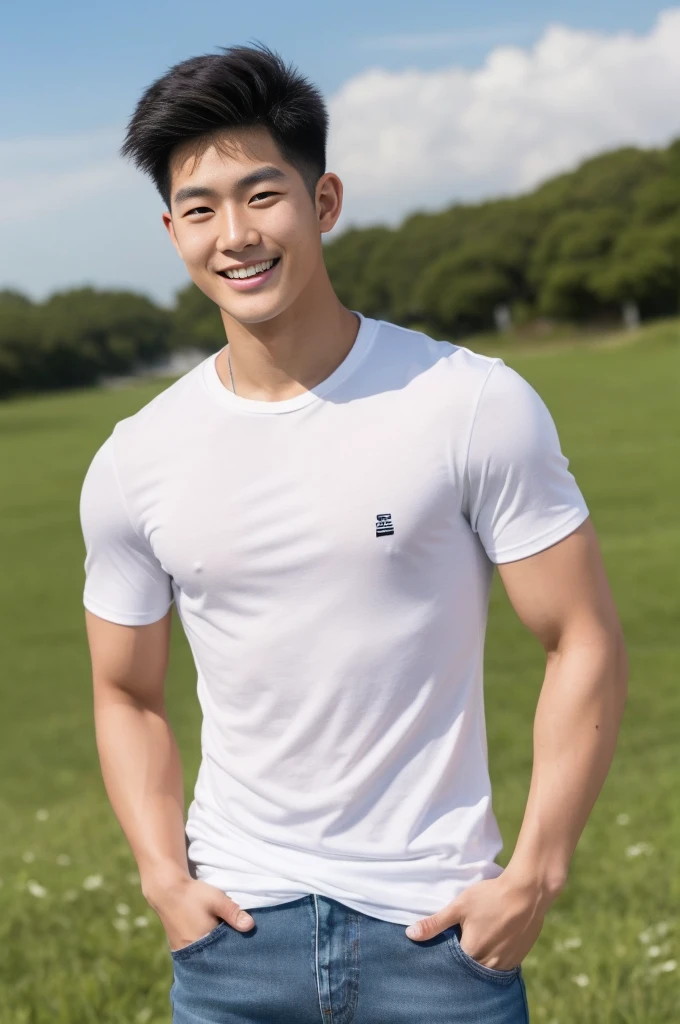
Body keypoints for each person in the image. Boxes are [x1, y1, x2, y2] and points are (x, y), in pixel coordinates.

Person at [79, 43, 628, 1024]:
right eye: (200, 209)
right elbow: (125, 691)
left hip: (439, 937)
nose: (235, 235)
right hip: (234, 947)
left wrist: (537, 871)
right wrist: (164, 878)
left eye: (262, 195)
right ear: (172, 232)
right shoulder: (135, 457)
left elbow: (579, 635)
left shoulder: (469, 403)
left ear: (322, 201)